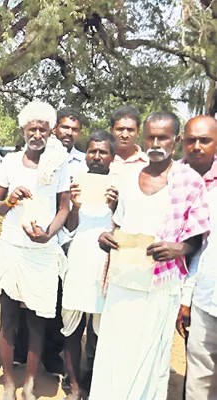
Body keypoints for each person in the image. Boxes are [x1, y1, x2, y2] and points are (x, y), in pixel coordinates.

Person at [94, 112, 209, 399]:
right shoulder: (129, 177)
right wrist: (105, 238)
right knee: (113, 353)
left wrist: (179, 249)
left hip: (160, 286)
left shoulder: (190, 181)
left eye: (163, 137)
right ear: (144, 139)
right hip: (123, 282)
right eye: (151, 137)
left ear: (176, 141)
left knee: (147, 359)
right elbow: (118, 225)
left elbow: (196, 238)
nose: (156, 143)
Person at [0, 100, 70, 400]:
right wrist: (9, 200)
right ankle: (9, 381)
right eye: (32, 128)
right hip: (12, 247)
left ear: (51, 132)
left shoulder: (58, 164)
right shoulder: (9, 163)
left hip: (42, 250)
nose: (37, 134)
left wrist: (49, 234)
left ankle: (30, 383)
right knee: (8, 319)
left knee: (37, 321)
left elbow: (64, 207)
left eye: (43, 129)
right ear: (23, 130)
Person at [59, 131, 118, 400]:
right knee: (72, 326)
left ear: (112, 157)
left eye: (102, 152)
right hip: (79, 260)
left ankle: (94, 379)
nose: (96, 156)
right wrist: (74, 206)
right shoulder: (76, 183)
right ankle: (73, 384)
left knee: (101, 329)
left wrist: (116, 207)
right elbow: (70, 227)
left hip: (106, 264)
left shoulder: (120, 185)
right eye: (92, 151)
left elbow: (124, 227)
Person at [176, 116, 217, 399]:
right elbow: (202, 250)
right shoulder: (170, 176)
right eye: (192, 140)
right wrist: (186, 298)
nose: (198, 146)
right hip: (203, 297)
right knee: (199, 379)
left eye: (206, 140)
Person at [109, 105, 148, 177]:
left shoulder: (149, 163)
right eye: (120, 129)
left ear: (138, 132)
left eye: (130, 130)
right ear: (111, 131)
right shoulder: (102, 160)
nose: (125, 135)